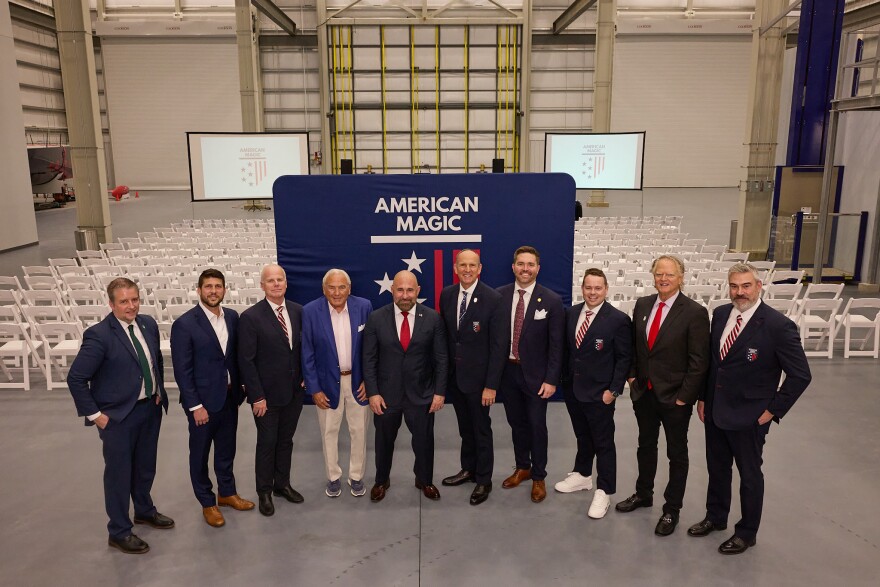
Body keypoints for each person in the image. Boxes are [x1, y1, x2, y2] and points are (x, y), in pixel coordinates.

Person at [688, 263, 811, 555]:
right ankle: (716, 517)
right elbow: (715, 365)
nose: (739, 292)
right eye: (734, 286)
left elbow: (801, 375)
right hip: (716, 411)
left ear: (759, 286)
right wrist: (704, 398)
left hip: (750, 417)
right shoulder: (719, 315)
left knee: (750, 475)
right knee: (717, 469)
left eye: (745, 286)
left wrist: (772, 411)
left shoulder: (778, 326)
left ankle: (746, 532)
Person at [67, 277, 172, 554]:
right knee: (119, 475)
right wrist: (96, 415)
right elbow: (76, 378)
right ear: (111, 304)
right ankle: (119, 530)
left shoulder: (148, 324)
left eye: (135, 299)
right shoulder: (99, 335)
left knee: (145, 466)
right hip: (118, 417)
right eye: (124, 301)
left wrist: (158, 389)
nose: (131, 306)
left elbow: (154, 360)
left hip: (149, 409)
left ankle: (144, 510)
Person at [616, 254, 710, 536]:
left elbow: (699, 361)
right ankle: (643, 494)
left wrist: (685, 397)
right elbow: (635, 346)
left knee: (676, 453)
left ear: (681, 278)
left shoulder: (694, 312)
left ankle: (672, 509)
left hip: (675, 398)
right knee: (645, 446)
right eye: (659, 274)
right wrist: (632, 377)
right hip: (644, 392)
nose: (663, 279)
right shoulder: (643, 305)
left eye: (669, 274)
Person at [171, 269, 254, 528]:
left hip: (229, 399)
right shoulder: (185, 324)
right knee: (200, 454)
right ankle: (207, 502)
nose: (213, 291)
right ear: (199, 290)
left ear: (225, 290)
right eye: (208, 286)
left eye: (218, 286)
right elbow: (182, 370)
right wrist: (195, 405)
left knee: (226, 450)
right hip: (203, 404)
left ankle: (227, 493)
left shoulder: (232, 317)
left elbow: (233, 357)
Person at [363, 270, 448, 502]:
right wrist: (373, 393)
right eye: (400, 289)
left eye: (410, 290)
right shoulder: (376, 318)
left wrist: (439, 393)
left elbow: (441, 359)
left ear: (418, 291)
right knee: (383, 442)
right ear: (392, 290)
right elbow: (368, 359)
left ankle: (424, 480)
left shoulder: (432, 318)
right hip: (386, 396)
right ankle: (381, 480)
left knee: (423, 442)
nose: (405, 295)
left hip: (421, 395)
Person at [558, 268, 632, 519]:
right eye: (588, 287)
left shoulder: (618, 319)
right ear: (582, 288)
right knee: (582, 434)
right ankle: (582, 475)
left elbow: (624, 359)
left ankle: (604, 490)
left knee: (603, 441)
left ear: (606, 289)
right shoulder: (571, 313)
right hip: (573, 389)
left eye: (598, 288)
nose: (592, 292)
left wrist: (613, 390)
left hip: (600, 393)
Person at [438, 250, 507, 506]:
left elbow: (499, 347)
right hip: (456, 379)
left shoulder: (493, 299)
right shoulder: (447, 295)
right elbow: (447, 338)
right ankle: (468, 469)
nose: (467, 269)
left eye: (472, 265)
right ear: (455, 268)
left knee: (481, 430)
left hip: (480, 383)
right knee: (464, 428)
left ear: (480, 269)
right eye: (462, 265)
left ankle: (484, 479)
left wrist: (491, 385)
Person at [496, 246, 565, 503]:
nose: (525, 269)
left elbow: (557, 345)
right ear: (513, 267)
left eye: (531, 264)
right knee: (516, 424)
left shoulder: (551, 300)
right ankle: (522, 467)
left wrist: (551, 379)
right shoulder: (499, 296)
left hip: (537, 377)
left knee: (537, 426)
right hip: (508, 373)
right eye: (521, 264)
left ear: (538, 268)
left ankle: (538, 476)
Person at [238, 264, 305, 516]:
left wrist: (304, 377)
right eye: (270, 281)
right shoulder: (251, 317)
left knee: (286, 441)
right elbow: (246, 360)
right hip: (265, 398)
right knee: (267, 443)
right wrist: (257, 396)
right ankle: (264, 491)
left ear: (286, 284)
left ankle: (282, 485)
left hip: (294, 393)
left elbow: (302, 349)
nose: (276, 284)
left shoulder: (298, 312)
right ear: (262, 286)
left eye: (280, 280)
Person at [302, 269, 373, 498]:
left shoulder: (364, 307)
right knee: (329, 432)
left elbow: (371, 349)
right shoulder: (311, 311)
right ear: (324, 289)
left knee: (359, 431)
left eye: (342, 287)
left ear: (349, 288)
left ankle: (356, 476)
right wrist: (314, 388)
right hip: (326, 385)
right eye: (331, 287)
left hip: (358, 382)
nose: (337, 292)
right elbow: (308, 353)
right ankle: (333, 477)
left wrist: (369, 382)